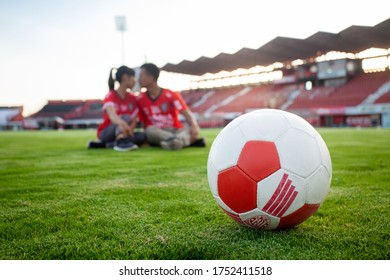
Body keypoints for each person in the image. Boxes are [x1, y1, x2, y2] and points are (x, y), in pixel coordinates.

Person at [137, 63, 204, 150]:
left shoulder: (171, 95)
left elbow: (187, 113)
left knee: (188, 130)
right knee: (149, 130)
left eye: (141, 75)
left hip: (175, 129)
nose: (138, 79)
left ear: (151, 78)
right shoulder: (140, 98)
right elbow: (142, 123)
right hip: (157, 132)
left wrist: (194, 126)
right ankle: (180, 141)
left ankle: (172, 142)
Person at [94, 66, 146, 151]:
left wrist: (129, 130)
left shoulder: (133, 98)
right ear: (125, 77)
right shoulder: (110, 96)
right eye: (133, 78)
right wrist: (123, 124)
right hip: (107, 132)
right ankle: (121, 142)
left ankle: (112, 143)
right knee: (125, 117)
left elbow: (134, 121)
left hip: (126, 131)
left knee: (142, 136)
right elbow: (113, 117)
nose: (135, 81)